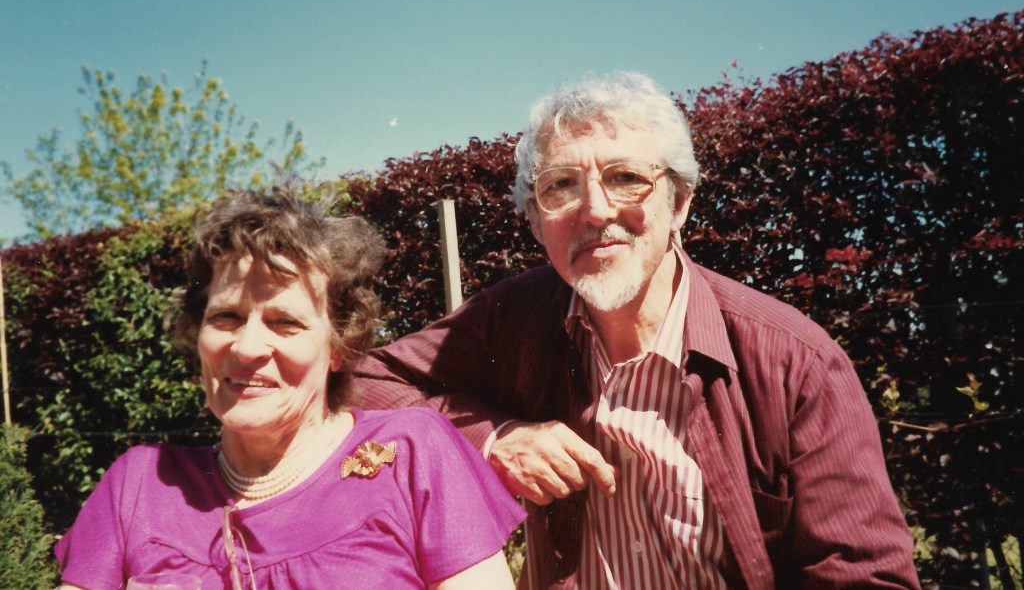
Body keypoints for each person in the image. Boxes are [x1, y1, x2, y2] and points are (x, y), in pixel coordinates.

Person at [354, 72, 921, 589]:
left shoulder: (794, 362)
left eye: (627, 178)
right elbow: (359, 379)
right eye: (561, 186)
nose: (595, 210)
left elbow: (867, 579)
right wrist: (495, 437)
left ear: (679, 204)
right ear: (534, 222)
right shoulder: (513, 317)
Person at [55, 187, 524, 590]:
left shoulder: (412, 452)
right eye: (226, 317)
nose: (248, 347)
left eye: (285, 322)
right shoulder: (138, 485)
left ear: (338, 346)